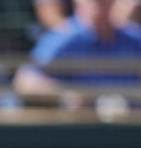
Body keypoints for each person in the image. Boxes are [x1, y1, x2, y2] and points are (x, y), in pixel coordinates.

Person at [13, 0, 141, 106]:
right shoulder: (64, 37)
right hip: (85, 128)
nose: (101, 7)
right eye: (95, 2)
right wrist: (67, 94)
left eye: (105, 2)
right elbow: (25, 81)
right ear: (79, 4)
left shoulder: (132, 37)